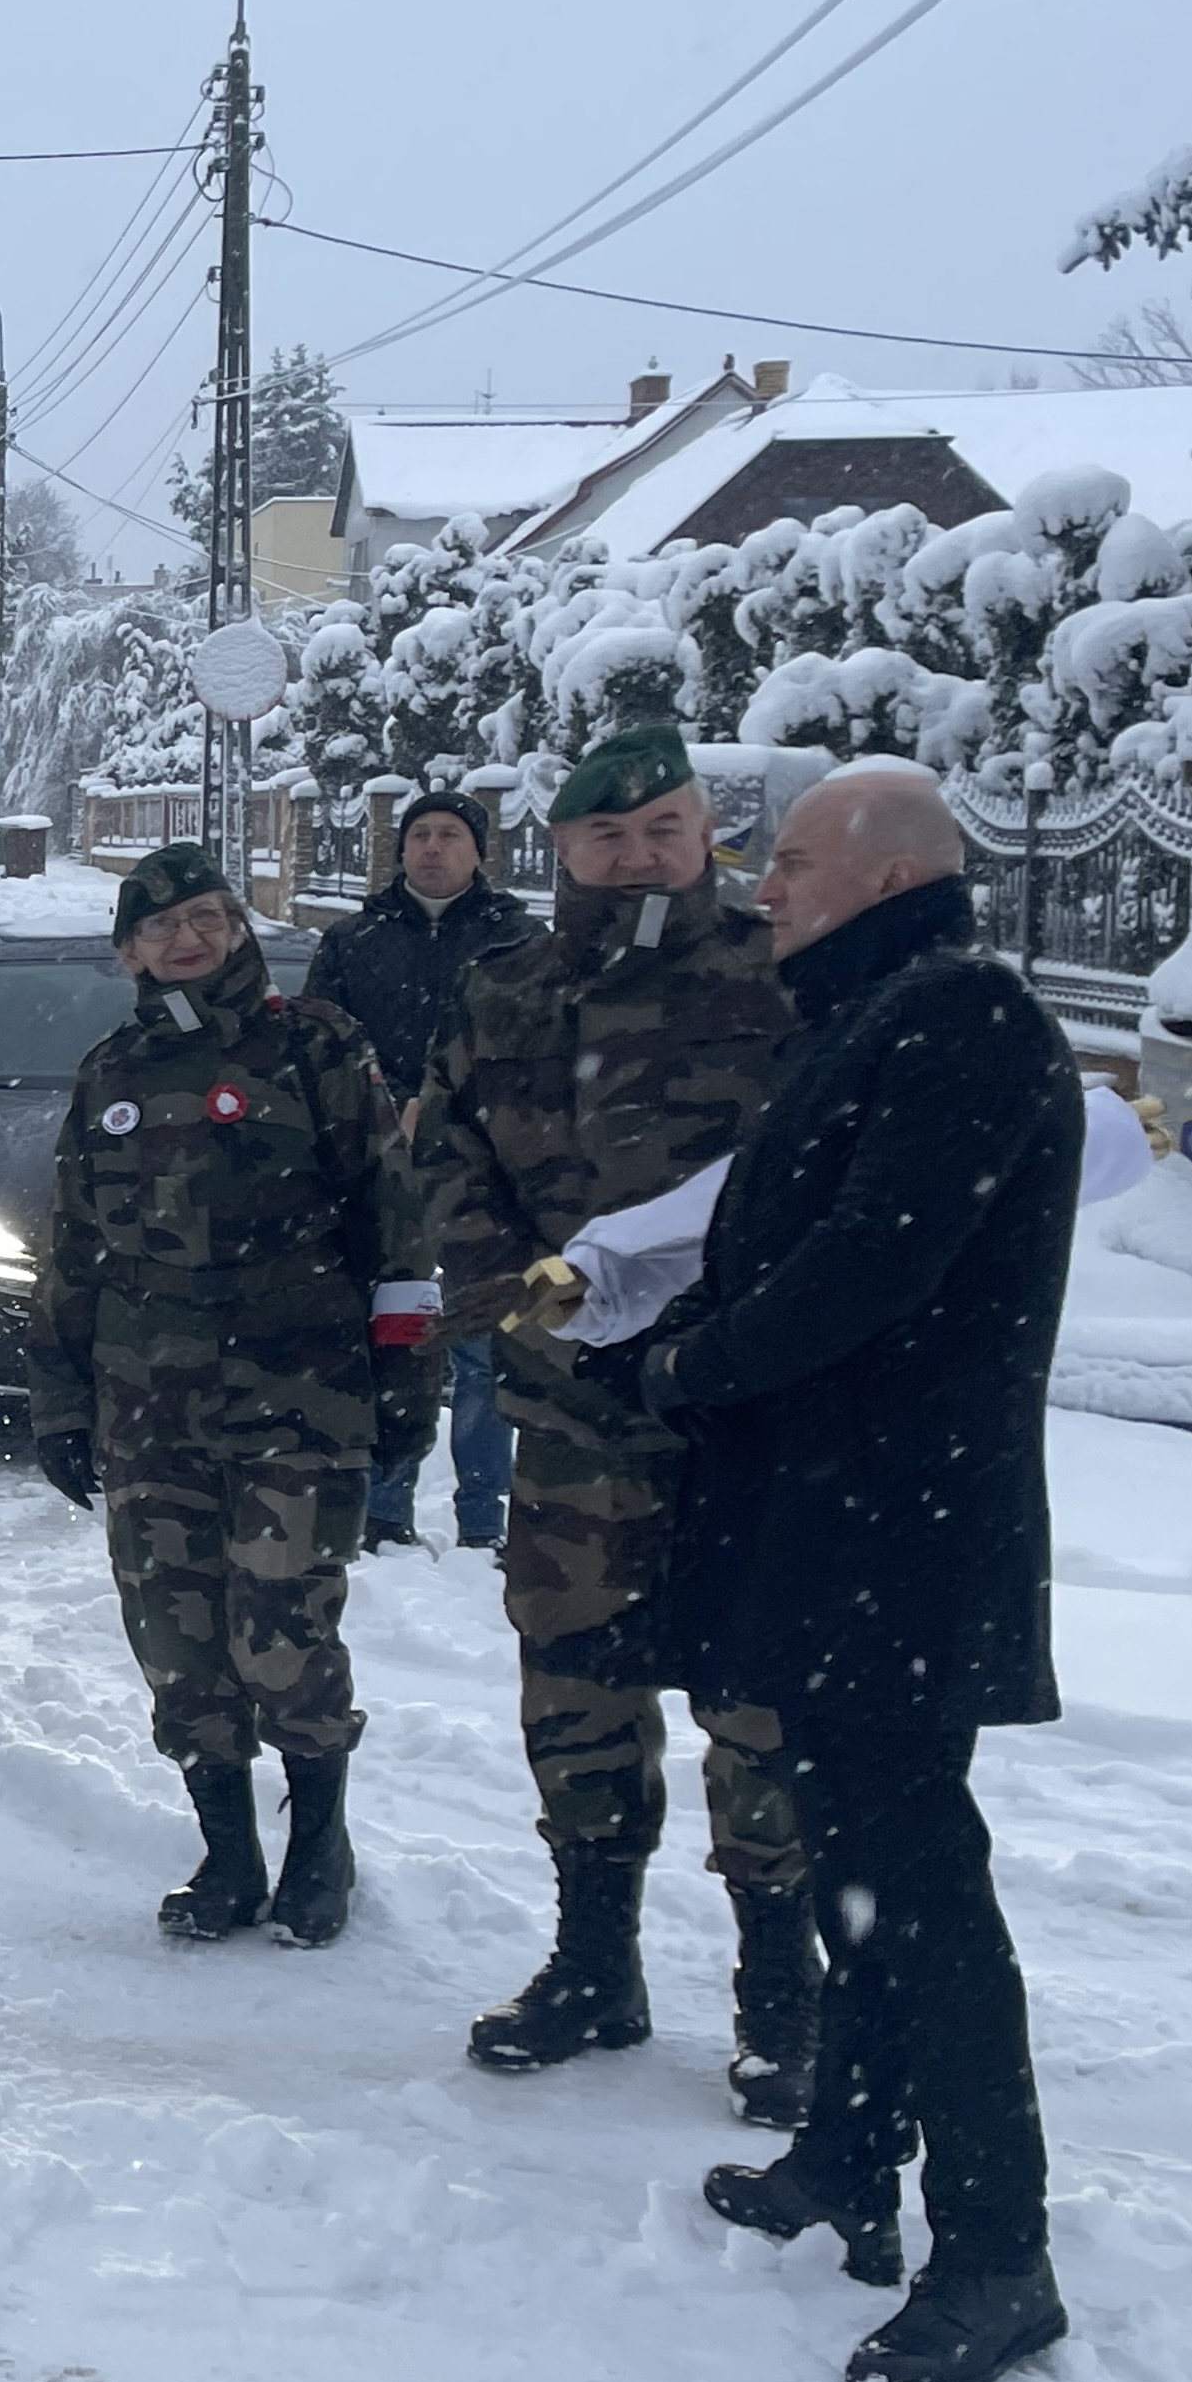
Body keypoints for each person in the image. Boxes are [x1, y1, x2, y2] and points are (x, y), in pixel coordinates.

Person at [638, 765, 1080, 2382]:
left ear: (892, 872)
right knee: (861, 1873)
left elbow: (870, 1265)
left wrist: (691, 1365)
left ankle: (995, 2250)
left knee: (922, 1894)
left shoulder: (956, 1018)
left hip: (897, 1536)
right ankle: (845, 2161)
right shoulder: (876, 1013)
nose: (766, 885)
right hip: (843, 1534)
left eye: (796, 858)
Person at [414, 719, 820, 2115]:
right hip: (573, 1408)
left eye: (660, 829)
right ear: (562, 847)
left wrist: (740, 1340)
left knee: (759, 1700)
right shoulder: (507, 989)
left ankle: (784, 1994)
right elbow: (449, 1155)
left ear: (704, 830)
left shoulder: (780, 975)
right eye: (605, 836)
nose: (634, 854)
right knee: (576, 1685)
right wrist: (522, 1308)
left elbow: (832, 1163)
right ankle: (596, 1965)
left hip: (746, 1410)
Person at [20, 843, 434, 1940]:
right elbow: (69, 1256)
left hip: (300, 1390)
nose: (188, 940)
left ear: (240, 928)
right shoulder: (110, 1074)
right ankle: (228, 1858)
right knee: (179, 1641)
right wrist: (61, 1403)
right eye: (162, 929)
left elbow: (394, 1225)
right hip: (148, 1403)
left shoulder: (318, 1047)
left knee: (284, 1633)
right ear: (129, 954)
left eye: (208, 917)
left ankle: (318, 1847)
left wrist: (405, 1376)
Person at [304, 790, 538, 1554]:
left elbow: (540, 1055)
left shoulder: (518, 942)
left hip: (487, 1174)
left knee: (480, 1348)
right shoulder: (352, 941)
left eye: (450, 835)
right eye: (420, 835)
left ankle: (482, 1519)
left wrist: (454, 1111)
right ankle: (383, 1506)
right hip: (382, 1172)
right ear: (400, 850)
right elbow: (320, 1047)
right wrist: (387, 1105)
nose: (433, 848)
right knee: (398, 1334)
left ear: (479, 852)